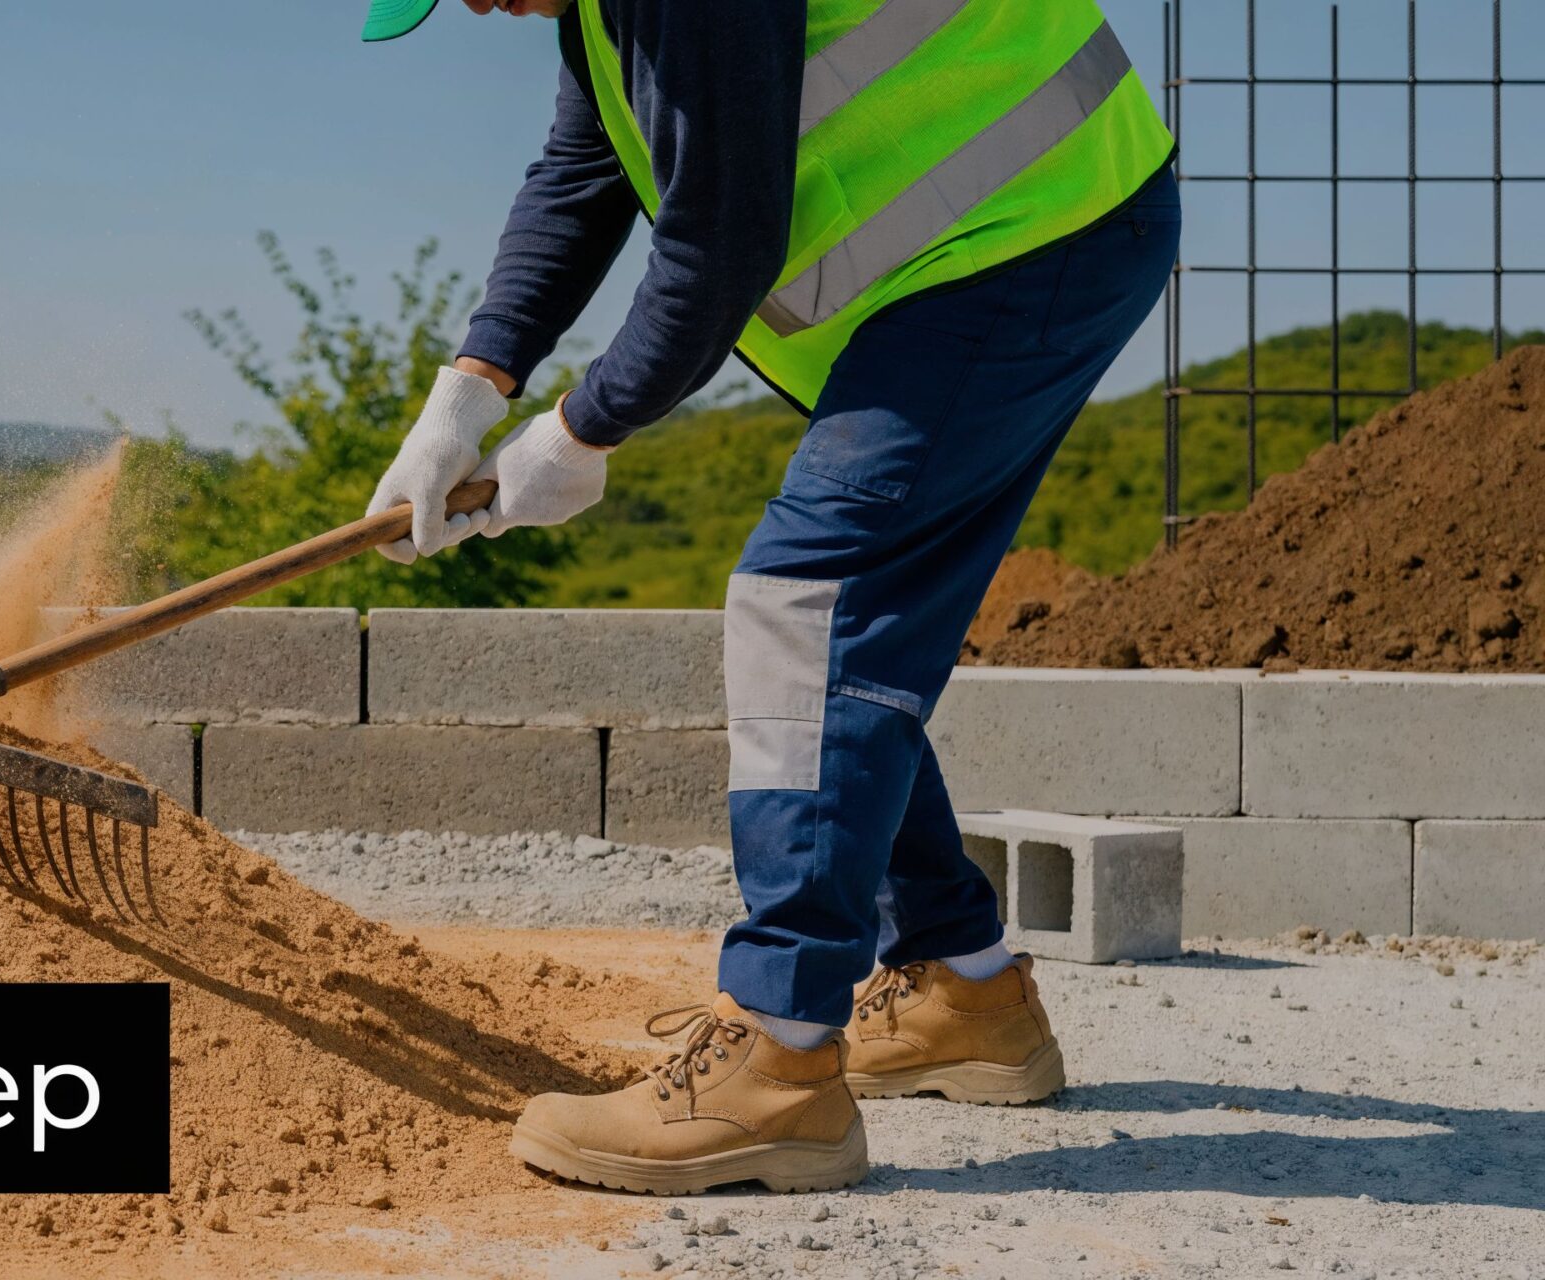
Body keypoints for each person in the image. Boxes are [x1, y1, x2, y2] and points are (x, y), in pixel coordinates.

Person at [357, 0, 1179, 1193]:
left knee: (806, 597)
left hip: (1031, 228)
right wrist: (470, 386)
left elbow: (719, 238)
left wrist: (583, 430)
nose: (470, 6)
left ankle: (782, 1064)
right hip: (984, 250)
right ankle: (964, 982)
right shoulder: (600, 9)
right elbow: (587, 166)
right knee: (840, 634)